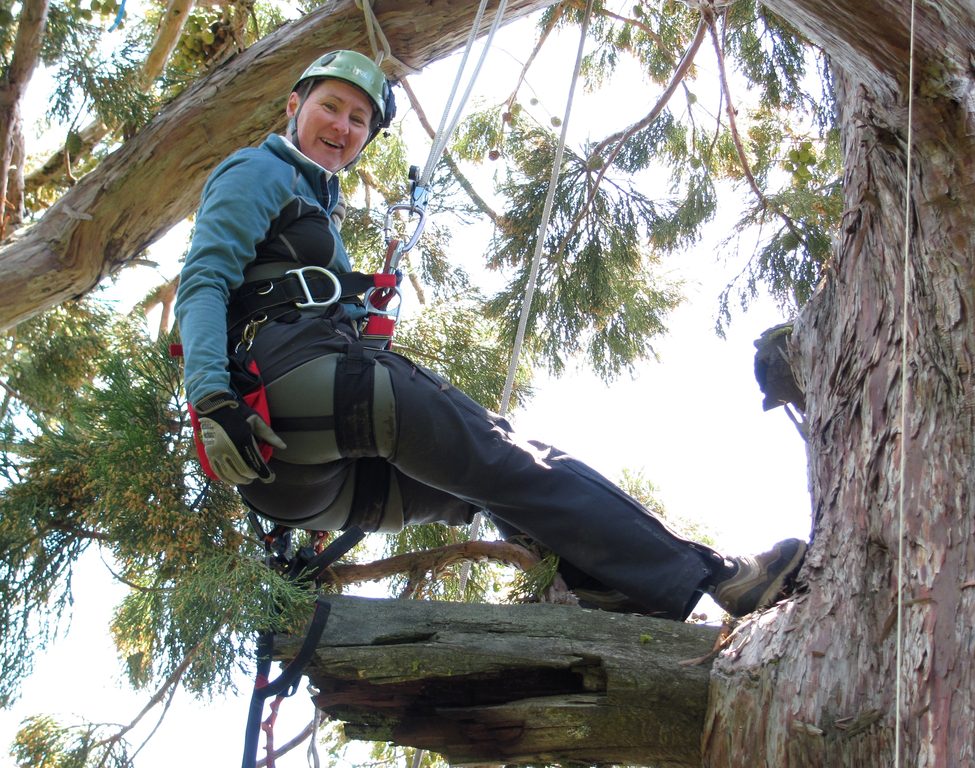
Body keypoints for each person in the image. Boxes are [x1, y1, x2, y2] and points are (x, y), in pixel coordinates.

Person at [175, 49, 806, 620]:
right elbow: (203, 279)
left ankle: (606, 586)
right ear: (295, 106)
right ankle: (722, 578)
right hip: (284, 402)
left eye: (358, 120)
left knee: (485, 490)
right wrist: (213, 400)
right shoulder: (259, 170)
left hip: (300, 486)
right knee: (511, 461)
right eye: (330, 107)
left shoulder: (313, 203)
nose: (341, 127)